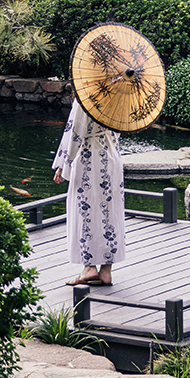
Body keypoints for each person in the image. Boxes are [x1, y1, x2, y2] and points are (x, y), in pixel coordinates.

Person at [52, 100, 125, 286]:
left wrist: (62, 165)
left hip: (89, 157)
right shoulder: (119, 97)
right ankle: (106, 271)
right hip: (112, 155)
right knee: (110, 212)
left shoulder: (87, 98)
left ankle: (89, 268)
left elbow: (74, 132)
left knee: (85, 210)